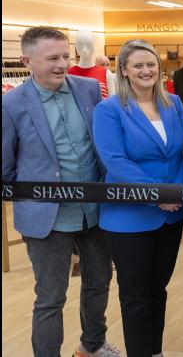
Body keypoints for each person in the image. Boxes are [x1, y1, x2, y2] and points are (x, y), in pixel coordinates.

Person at [2, 27, 119, 357]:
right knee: (51, 296)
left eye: (65, 56)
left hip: (95, 212)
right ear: (27, 61)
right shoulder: (11, 104)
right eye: (52, 58)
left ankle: (92, 345)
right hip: (47, 220)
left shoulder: (89, 90)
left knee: (99, 283)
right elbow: (6, 170)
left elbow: (101, 145)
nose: (62, 64)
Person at [93, 39, 183, 357]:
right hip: (129, 218)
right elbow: (115, 161)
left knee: (158, 291)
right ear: (124, 70)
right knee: (135, 296)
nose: (146, 70)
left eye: (151, 64)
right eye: (137, 65)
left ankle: (155, 351)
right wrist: (158, 195)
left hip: (171, 214)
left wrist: (174, 192)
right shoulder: (109, 110)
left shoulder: (173, 103)